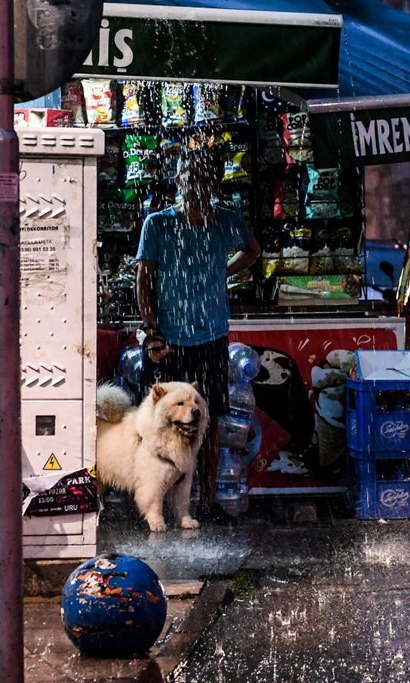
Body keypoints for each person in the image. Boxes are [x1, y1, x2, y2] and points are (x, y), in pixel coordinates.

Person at [135, 147, 262, 513]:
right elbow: (145, 278)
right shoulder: (158, 224)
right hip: (169, 341)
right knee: (159, 427)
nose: (192, 185)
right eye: (187, 178)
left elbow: (252, 250)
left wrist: (222, 273)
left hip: (211, 337)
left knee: (206, 424)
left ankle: (203, 505)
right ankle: (158, 502)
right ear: (178, 181)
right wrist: (151, 329)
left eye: (202, 178)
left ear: (212, 183)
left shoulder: (226, 220)